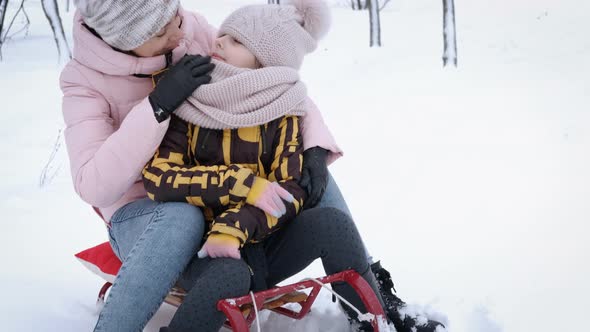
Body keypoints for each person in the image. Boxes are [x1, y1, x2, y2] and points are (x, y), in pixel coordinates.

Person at [61, 0, 439, 330]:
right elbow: (94, 185)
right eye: (163, 33)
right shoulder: (84, 82)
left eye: (175, 13)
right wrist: (157, 106)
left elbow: (269, 80)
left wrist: (314, 145)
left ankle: (373, 294)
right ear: (128, 41)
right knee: (182, 217)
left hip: (226, 202)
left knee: (309, 177)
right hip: (146, 213)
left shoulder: (184, 28)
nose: (179, 33)